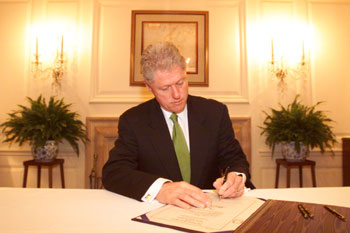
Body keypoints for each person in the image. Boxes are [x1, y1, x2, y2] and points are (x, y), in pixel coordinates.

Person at [102, 42, 254, 209]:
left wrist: (236, 177)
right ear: (148, 86)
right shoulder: (133, 121)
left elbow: (235, 159)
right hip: (157, 213)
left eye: (180, 83)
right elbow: (114, 172)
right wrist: (161, 189)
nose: (176, 95)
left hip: (209, 210)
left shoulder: (215, 113)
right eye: (165, 88)